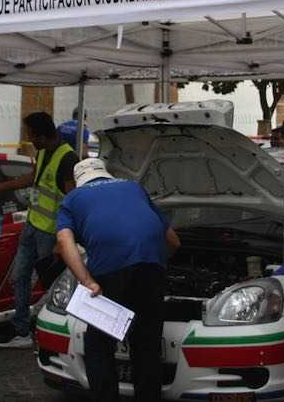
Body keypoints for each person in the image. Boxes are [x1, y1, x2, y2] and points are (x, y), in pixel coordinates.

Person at [56, 157, 180, 402]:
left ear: (78, 181)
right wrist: (156, 264)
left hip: (108, 272)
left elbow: (63, 240)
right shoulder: (134, 187)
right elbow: (174, 241)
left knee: (99, 345)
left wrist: (86, 280)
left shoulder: (72, 199)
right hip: (150, 270)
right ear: (106, 173)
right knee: (147, 346)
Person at [0, 111, 78, 348]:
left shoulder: (68, 158)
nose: (29, 140)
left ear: (42, 136)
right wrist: (1, 187)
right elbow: (33, 178)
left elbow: (73, 201)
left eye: (31, 135)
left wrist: (64, 238)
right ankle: (21, 329)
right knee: (19, 277)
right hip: (32, 226)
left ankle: (53, 328)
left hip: (50, 233)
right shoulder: (42, 152)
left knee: (51, 283)